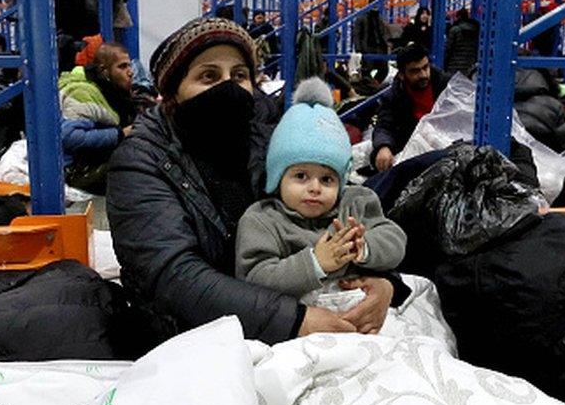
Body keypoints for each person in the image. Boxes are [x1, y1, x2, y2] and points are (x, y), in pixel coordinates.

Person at [105, 18, 404, 344]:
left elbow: (332, 215)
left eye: (239, 75)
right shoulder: (141, 162)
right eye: (208, 76)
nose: (228, 87)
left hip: (296, 313)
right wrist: (295, 320)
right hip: (192, 332)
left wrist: (382, 281)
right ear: (173, 91)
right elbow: (174, 276)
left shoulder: (271, 138)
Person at [236, 78, 406, 334]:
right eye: (301, 176)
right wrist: (316, 262)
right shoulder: (263, 220)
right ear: (277, 177)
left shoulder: (356, 203)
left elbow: (394, 239)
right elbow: (255, 278)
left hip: (362, 317)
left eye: (327, 179)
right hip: (300, 326)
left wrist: (366, 247)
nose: (315, 187)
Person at [58, 42, 137, 194]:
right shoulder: (83, 93)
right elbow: (68, 137)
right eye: (122, 67)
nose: (130, 72)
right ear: (104, 71)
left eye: (129, 66)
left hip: (88, 162)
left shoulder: (109, 91)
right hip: (74, 171)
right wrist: (120, 134)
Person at [370, 43, 448, 172]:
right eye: (415, 71)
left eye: (425, 67)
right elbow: (384, 126)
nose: (423, 74)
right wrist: (383, 146)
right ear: (401, 75)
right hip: (411, 151)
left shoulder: (445, 86)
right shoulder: (393, 96)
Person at [444, 8, 479, 75]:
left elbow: (448, 49)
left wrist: (445, 65)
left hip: (454, 66)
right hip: (470, 66)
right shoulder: (475, 30)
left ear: (458, 17)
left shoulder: (454, 30)